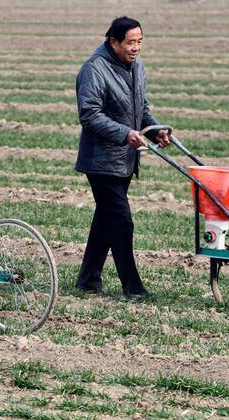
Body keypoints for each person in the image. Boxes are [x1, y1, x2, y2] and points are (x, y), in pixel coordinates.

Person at [74, 16, 170, 300]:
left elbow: (141, 109)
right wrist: (125, 133)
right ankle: (133, 287)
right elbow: (89, 115)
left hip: (125, 159)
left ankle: (88, 279)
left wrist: (155, 130)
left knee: (106, 220)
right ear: (113, 41)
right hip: (101, 161)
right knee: (121, 221)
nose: (136, 47)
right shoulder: (95, 69)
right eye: (130, 42)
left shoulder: (137, 68)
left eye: (139, 42)